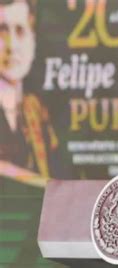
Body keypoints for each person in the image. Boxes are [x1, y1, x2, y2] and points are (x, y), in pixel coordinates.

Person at [0, 0, 59, 187]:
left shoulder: (35, 109)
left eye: (20, 31)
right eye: (2, 31)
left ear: (33, 40)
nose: (12, 46)